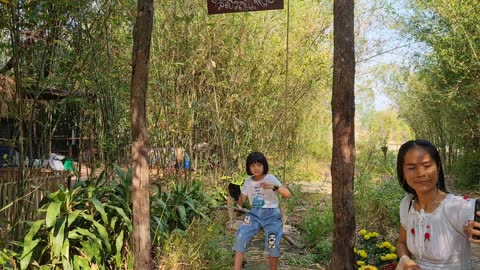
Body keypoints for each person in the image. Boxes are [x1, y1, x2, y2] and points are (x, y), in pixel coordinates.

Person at [395, 139, 480, 269]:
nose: (420, 174)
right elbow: (402, 243)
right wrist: (406, 260)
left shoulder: (457, 207)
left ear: (438, 168)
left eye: (427, 166)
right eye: (411, 168)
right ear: (403, 173)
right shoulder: (407, 205)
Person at [232, 151, 292, 270]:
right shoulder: (248, 182)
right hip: (254, 215)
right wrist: (234, 194)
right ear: (249, 167)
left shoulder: (271, 178)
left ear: (264, 165)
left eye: (259, 165)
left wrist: (272, 186)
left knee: (272, 243)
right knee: (240, 237)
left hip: (272, 215)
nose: (256, 168)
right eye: (253, 165)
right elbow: (241, 202)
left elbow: (288, 194)